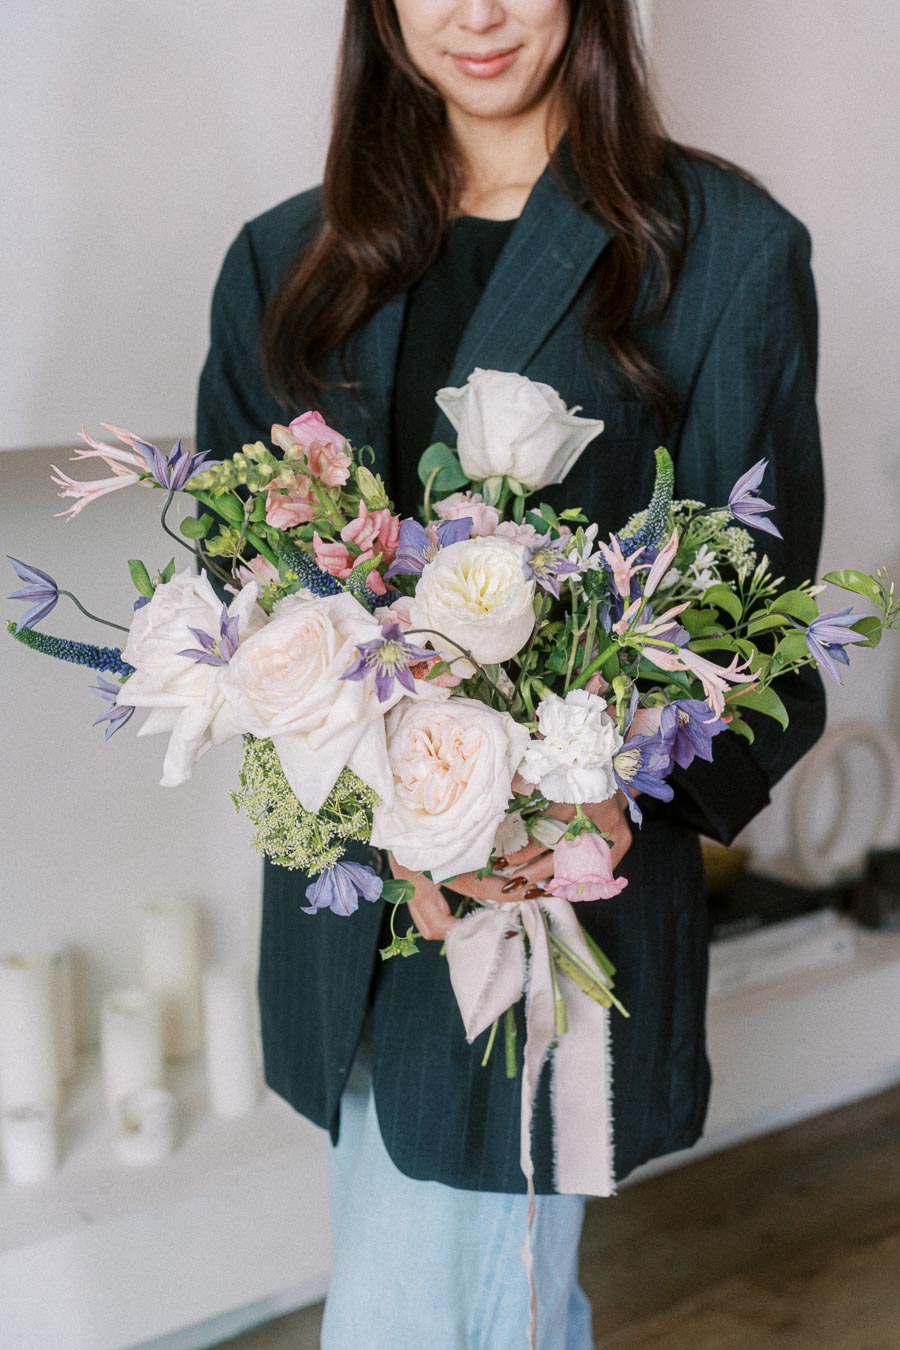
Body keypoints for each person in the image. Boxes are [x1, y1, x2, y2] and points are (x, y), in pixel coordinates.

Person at [196, 2, 826, 1345]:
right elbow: (233, 600)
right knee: (491, 1309)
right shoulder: (283, 264)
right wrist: (369, 785)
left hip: (542, 927)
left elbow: (760, 635)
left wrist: (578, 802)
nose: (476, 13)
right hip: (350, 924)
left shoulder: (722, 258)